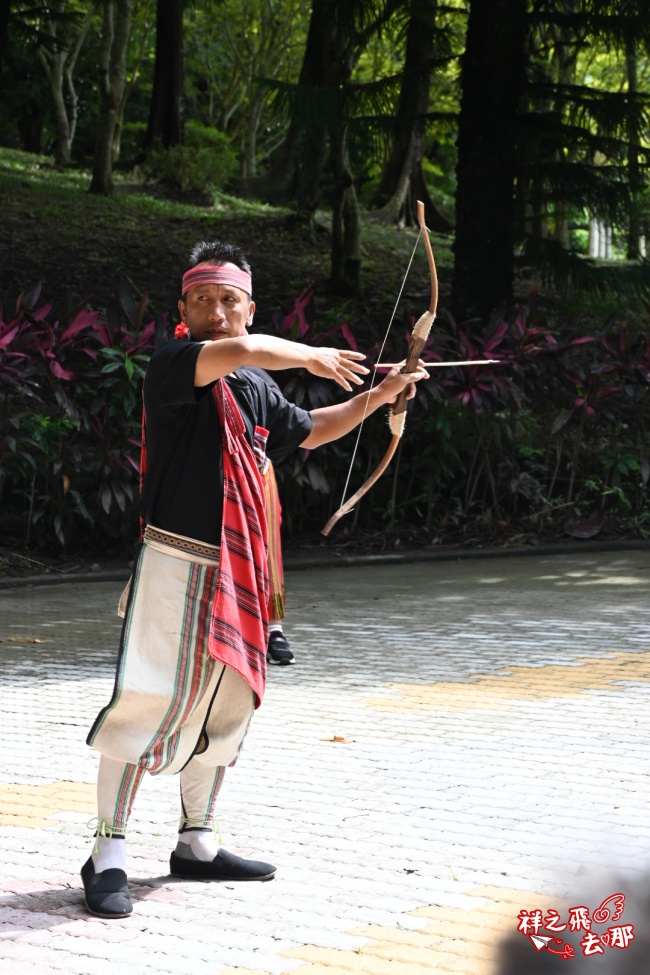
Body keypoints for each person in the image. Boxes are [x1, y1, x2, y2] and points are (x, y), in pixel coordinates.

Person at [81, 239, 427, 919]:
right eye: (202, 299)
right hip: (176, 557)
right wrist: (306, 354)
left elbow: (310, 429)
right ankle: (107, 853)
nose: (216, 311)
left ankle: (197, 843)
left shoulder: (253, 382)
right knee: (148, 701)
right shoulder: (179, 361)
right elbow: (241, 352)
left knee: (227, 704)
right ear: (183, 309)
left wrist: (382, 396)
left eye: (228, 300)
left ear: (249, 307)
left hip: (239, 564)